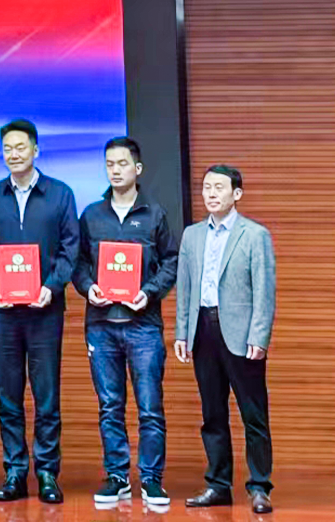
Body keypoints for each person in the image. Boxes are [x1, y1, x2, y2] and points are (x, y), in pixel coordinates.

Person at [0, 119, 80, 505]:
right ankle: (14, 471)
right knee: (9, 396)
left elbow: (70, 247)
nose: (13, 154)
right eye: (7, 149)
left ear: (35, 150)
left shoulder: (60, 194)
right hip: (2, 312)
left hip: (45, 310)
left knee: (46, 396)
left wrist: (52, 286)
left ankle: (47, 472)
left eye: (20, 147)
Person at [72, 137, 179, 510]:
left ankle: (151, 479)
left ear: (138, 168)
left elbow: (171, 262)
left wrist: (149, 293)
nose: (115, 170)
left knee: (149, 406)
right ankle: (117, 476)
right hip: (101, 325)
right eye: (109, 164)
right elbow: (78, 264)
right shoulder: (91, 215)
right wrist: (88, 287)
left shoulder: (155, 214)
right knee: (109, 406)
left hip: (143, 325)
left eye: (122, 163)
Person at [174, 165, 276, 514]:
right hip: (203, 330)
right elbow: (185, 287)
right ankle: (218, 485)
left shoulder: (255, 235)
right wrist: (182, 332)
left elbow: (264, 291)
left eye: (219, 187)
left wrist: (259, 335)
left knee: (253, 414)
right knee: (212, 414)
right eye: (206, 187)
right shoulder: (192, 235)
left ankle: (259, 487)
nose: (211, 193)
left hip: (242, 334)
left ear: (237, 194)